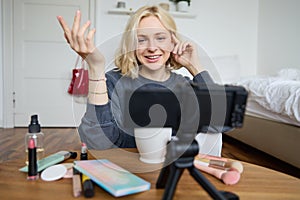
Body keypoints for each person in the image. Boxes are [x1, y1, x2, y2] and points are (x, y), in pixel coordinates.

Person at [57, 5, 222, 155]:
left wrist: (195, 66)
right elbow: (98, 143)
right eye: (142, 39)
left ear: (173, 41)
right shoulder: (113, 82)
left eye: (160, 38)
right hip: (126, 169)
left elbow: (217, 126)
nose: (151, 47)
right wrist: (96, 68)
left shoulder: (185, 86)